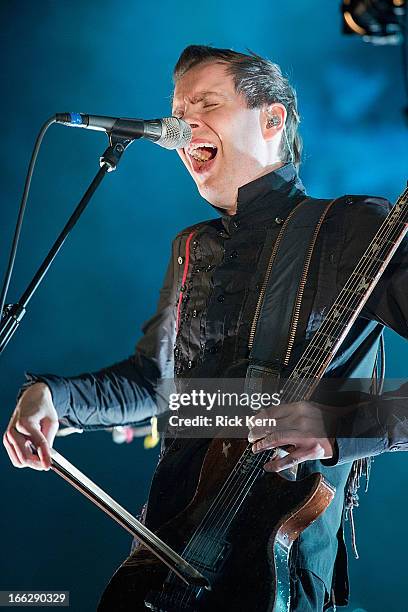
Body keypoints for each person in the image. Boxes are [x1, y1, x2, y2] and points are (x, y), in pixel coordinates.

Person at [3, 45, 408, 611]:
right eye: (177, 109)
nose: (181, 123)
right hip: (161, 561)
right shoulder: (191, 248)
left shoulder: (351, 228)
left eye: (207, 103)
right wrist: (54, 396)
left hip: (270, 576)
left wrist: (341, 424)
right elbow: (157, 388)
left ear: (272, 119)